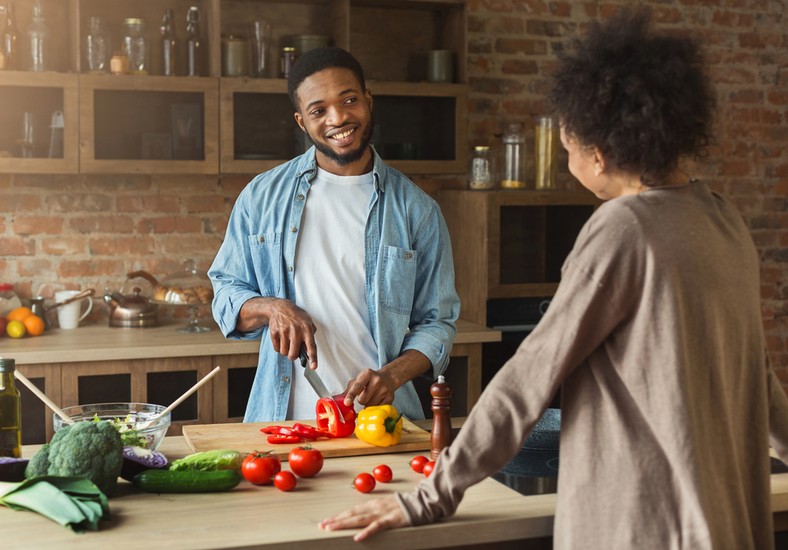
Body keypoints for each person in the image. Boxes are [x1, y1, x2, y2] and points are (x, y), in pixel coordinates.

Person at [319, 8, 788, 548]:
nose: (569, 163)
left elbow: (528, 380)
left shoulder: (624, 228)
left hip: (645, 523)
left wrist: (430, 496)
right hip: (730, 519)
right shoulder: (722, 219)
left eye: (568, 151)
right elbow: (761, 379)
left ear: (600, 153)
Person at [209, 47, 460, 423]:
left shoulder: (417, 210)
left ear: (368, 101)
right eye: (319, 110)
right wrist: (272, 308)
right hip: (282, 421)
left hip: (381, 422)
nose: (339, 118)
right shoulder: (261, 197)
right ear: (301, 121)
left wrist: (391, 375)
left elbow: (438, 323)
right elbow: (225, 293)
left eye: (349, 100)